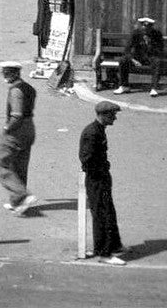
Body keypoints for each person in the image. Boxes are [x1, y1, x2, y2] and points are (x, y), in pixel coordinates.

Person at [79, 101, 125, 265]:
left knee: (106, 212)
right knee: (103, 214)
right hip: (97, 179)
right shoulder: (92, 133)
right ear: (103, 115)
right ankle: (105, 253)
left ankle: (109, 246)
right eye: (112, 115)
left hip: (101, 177)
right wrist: (101, 170)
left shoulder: (99, 130)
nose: (115, 118)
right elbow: (87, 159)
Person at [0, 61, 37, 215]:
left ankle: (21, 195)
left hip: (17, 130)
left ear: (12, 74)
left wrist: (7, 128)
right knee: (20, 164)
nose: (4, 76)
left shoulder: (16, 91)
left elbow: (17, 115)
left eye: (5, 73)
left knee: (2, 162)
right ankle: (18, 202)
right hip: (30, 128)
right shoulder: (30, 88)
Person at [115, 16, 164, 97]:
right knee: (123, 60)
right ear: (141, 25)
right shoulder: (136, 33)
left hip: (151, 56)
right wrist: (133, 60)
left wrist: (150, 44)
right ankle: (124, 86)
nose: (145, 28)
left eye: (148, 26)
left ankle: (154, 88)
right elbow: (127, 49)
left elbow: (160, 50)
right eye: (144, 25)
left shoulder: (157, 34)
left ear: (152, 26)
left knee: (157, 61)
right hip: (138, 57)